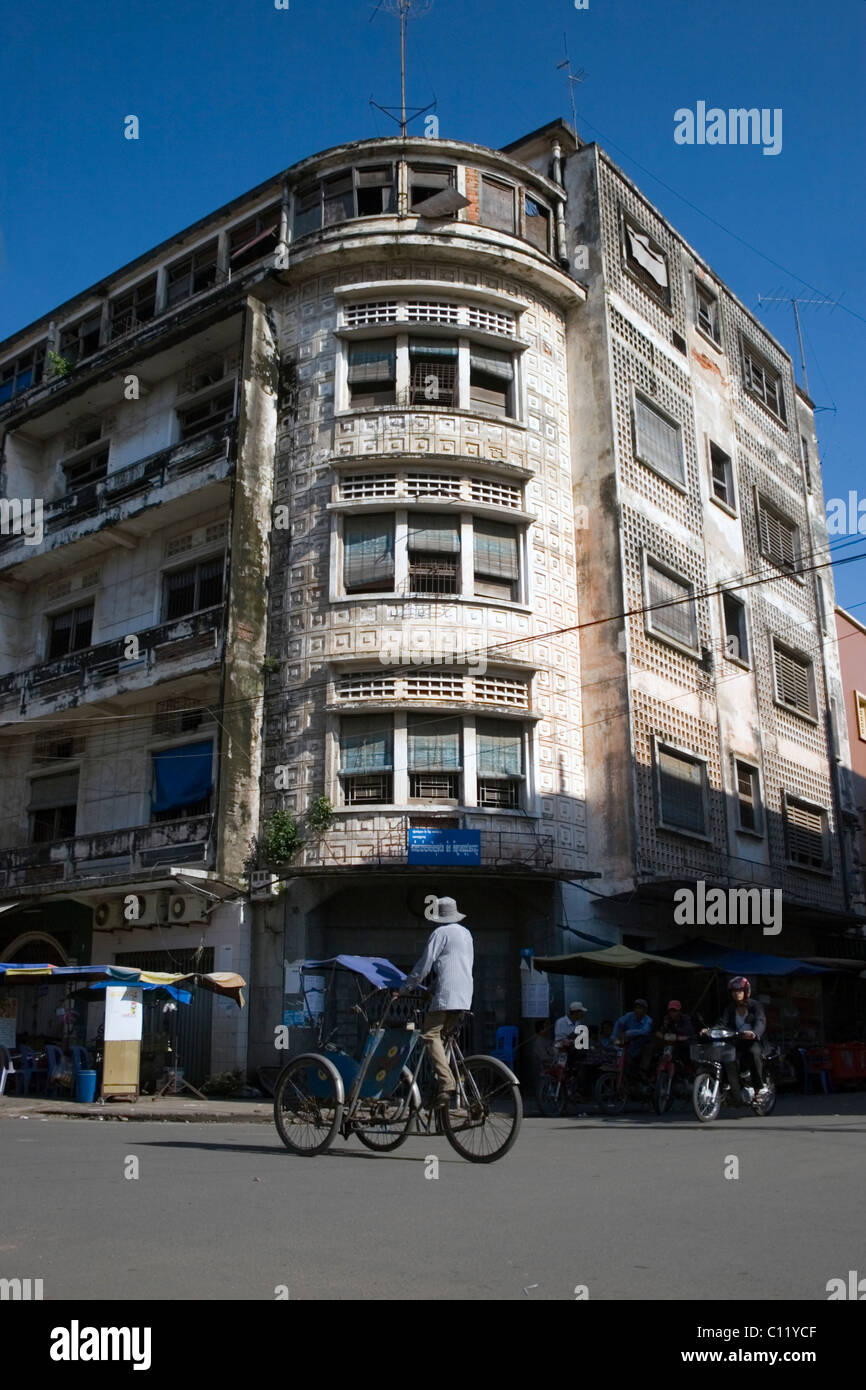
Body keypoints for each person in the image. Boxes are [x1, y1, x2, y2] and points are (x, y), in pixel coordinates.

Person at [397, 896, 473, 1106]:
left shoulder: (440, 933)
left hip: (447, 995)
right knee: (444, 1037)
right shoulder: (466, 934)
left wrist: (405, 988)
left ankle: (446, 1081)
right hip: (465, 994)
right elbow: (454, 967)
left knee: (430, 1034)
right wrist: (430, 989)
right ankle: (443, 1088)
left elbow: (425, 965)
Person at [704, 976, 768, 1104]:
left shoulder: (755, 1006)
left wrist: (754, 1033)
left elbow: (761, 1021)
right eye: (734, 991)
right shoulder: (729, 1008)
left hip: (753, 1041)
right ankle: (727, 1085)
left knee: (753, 1053)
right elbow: (722, 1023)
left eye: (740, 991)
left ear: (746, 991)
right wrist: (709, 1030)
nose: (737, 993)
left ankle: (758, 1088)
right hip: (735, 1041)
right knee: (724, 1054)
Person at [641, 999, 694, 1075]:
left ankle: (688, 1070)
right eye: (670, 1011)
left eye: (674, 1011)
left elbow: (687, 1032)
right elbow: (659, 1030)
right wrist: (660, 1034)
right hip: (669, 1043)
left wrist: (677, 1034)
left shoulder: (686, 1019)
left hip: (682, 1043)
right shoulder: (666, 1019)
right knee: (650, 1047)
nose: (672, 1013)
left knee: (687, 1050)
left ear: (679, 1011)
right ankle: (647, 1072)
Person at [609, 998, 654, 1078]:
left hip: (642, 1046)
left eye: (640, 1008)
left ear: (645, 1010)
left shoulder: (648, 1020)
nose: (637, 1010)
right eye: (636, 1007)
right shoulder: (629, 1015)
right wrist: (614, 1036)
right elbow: (619, 1023)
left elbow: (644, 1031)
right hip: (630, 1045)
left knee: (648, 1045)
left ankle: (642, 1071)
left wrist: (627, 1033)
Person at [554, 1000, 589, 1094]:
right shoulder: (561, 1022)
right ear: (576, 1012)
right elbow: (559, 1039)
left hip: (574, 1051)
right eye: (581, 1012)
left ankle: (575, 1089)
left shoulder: (578, 1023)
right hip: (562, 1052)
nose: (582, 1014)